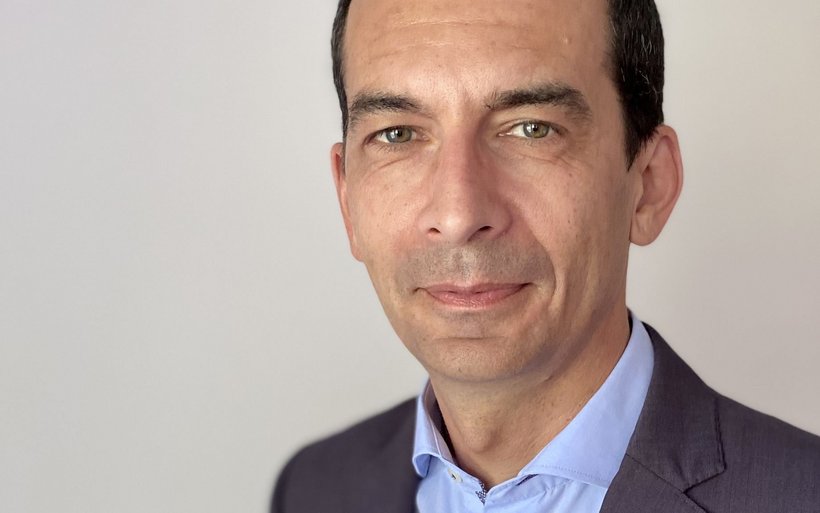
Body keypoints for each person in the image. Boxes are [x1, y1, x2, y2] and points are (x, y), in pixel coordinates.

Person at [272, 0, 820, 511]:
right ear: (348, 200)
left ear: (648, 185)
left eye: (531, 129)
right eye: (397, 134)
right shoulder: (314, 489)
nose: (459, 215)